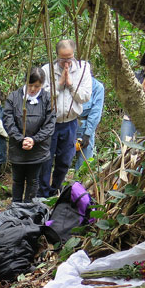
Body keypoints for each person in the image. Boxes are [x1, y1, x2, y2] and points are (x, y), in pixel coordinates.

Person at [39, 39, 92, 197]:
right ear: (57, 56)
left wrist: (71, 84)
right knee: (45, 160)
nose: (66, 63)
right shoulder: (47, 70)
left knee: (65, 160)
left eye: (69, 58)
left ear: (74, 55)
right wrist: (60, 84)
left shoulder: (83, 69)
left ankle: (56, 190)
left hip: (70, 123)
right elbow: (42, 97)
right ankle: (42, 194)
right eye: (63, 59)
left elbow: (85, 96)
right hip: (49, 123)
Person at [3, 67, 56, 202]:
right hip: (18, 148)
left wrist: (34, 140)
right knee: (17, 180)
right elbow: (8, 121)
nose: (32, 89)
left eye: (36, 86)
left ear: (42, 85)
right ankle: (16, 206)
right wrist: (21, 139)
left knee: (33, 180)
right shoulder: (14, 97)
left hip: (38, 149)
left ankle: (28, 209)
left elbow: (50, 124)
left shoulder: (47, 99)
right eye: (30, 85)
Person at [73, 77, 105, 172]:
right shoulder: (71, 83)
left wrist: (87, 134)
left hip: (85, 126)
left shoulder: (97, 87)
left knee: (84, 165)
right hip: (68, 124)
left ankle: (79, 185)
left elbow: (96, 112)